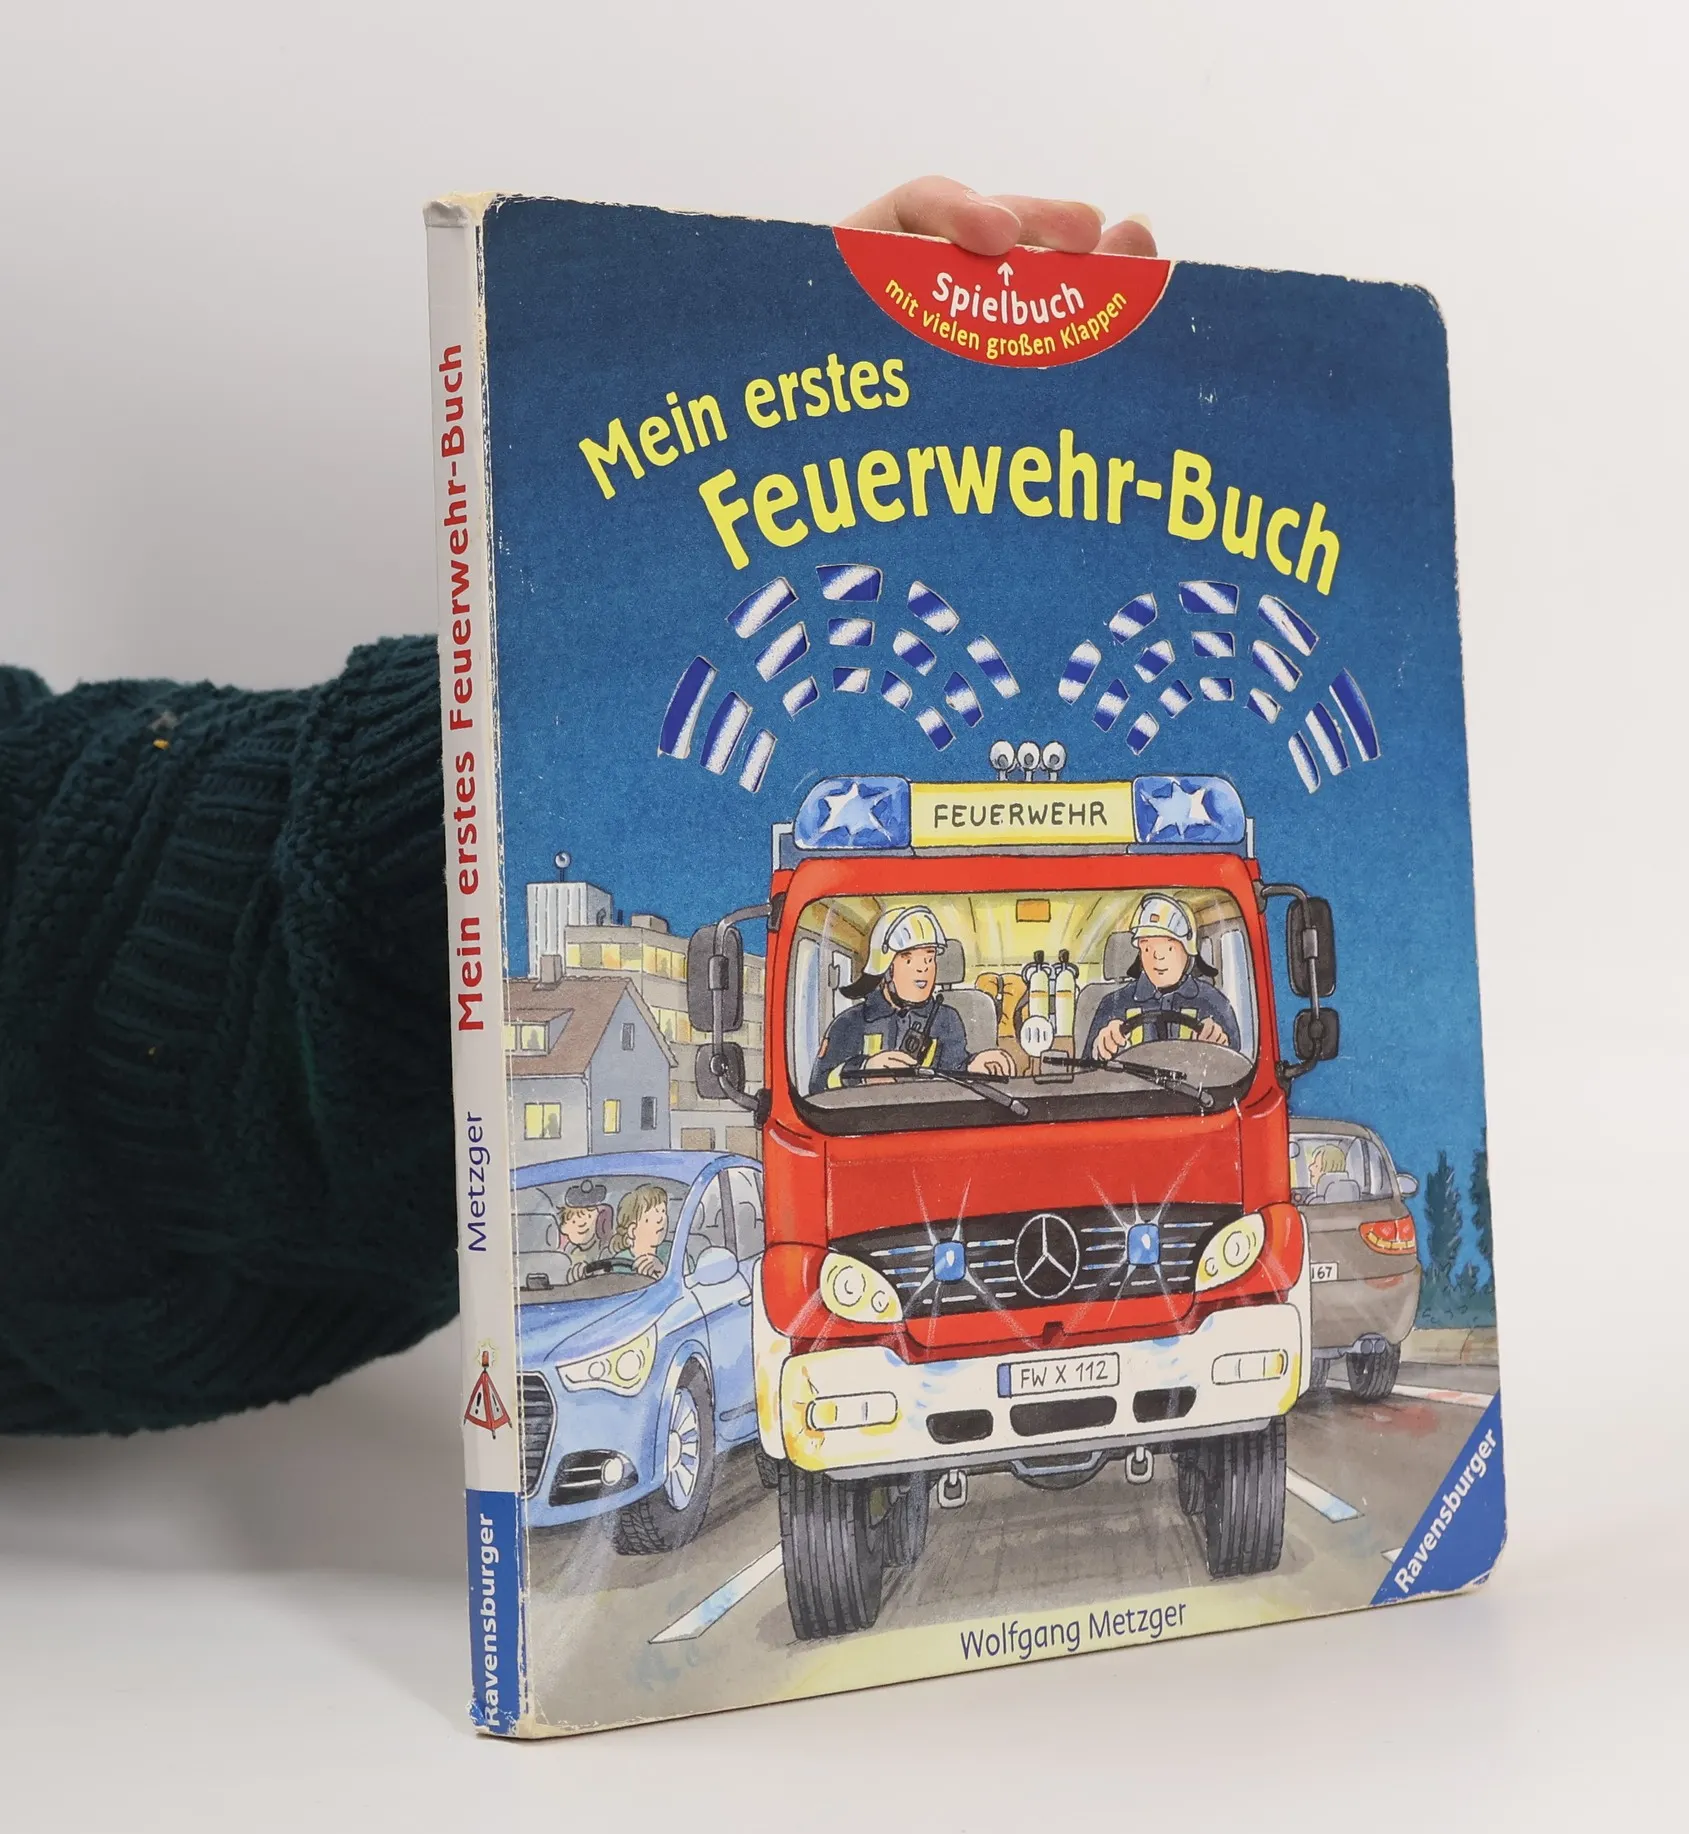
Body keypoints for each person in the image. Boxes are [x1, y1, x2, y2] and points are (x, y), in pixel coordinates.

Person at [0, 179, 1153, 1437]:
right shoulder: (842, 1026)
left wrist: (531, 740)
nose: (922, 972)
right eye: (913, 955)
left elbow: (69, 933)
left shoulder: (982, 1020)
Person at [812, 905, 1017, 1093]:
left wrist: (974, 1067)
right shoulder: (849, 1023)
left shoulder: (947, 1019)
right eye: (908, 959)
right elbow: (817, 1086)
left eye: (929, 958)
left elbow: (954, 1070)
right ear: (885, 967)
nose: (923, 968)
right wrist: (864, 1070)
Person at [1083, 894, 1242, 1063]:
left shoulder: (1213, 1002)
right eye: (1147, 948)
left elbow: (1237, 1066)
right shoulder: (1113, 1004)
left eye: (1169, 948)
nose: (1158, 956)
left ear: (1188, 949)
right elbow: (1086, 1069)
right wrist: (1100, 1047)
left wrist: (1220, 1045)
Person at [610, 1183, 671, 1281]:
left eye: (663, 1211)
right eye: (651, 1217)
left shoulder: (671, 1251)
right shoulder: (619, 1262)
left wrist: (664, 1273)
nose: (661, 1219)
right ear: (632, 1230)